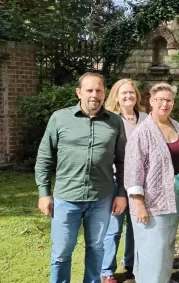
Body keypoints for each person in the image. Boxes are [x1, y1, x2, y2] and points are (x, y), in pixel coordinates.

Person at [35, 72, 127, 283]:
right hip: (67, 198)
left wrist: (121, 193)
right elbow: (44, 158)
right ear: (79, 92)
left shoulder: (115, 122)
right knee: (61, 253)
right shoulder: (60, 118)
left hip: (101, 198)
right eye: (89, 90)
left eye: (99, 90)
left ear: (105, 93)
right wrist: (43, 193)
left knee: (96, 249)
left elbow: (123, 161)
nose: (94, 95)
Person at [124, 83, 179, 283]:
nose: (164, 103)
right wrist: (139, 203)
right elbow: (133, 170)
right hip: (151, 200)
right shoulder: (142, 132)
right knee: (152, 248)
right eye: (159, 99)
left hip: (173, 196)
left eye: (168, 100)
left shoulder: (176, 125)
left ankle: (163, 278)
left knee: (167, 243)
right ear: (151, 102)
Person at [101, 79, 149, 283]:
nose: (128, 96)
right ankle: (106, 271)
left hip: (141, 180)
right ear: (116, 97)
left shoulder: (146, 118)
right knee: (114, 226)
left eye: (131, 92)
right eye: (124, 93)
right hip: (116, 179)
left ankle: (131, 263)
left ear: (137, 95)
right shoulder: (110, 119)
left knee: (136, 225)